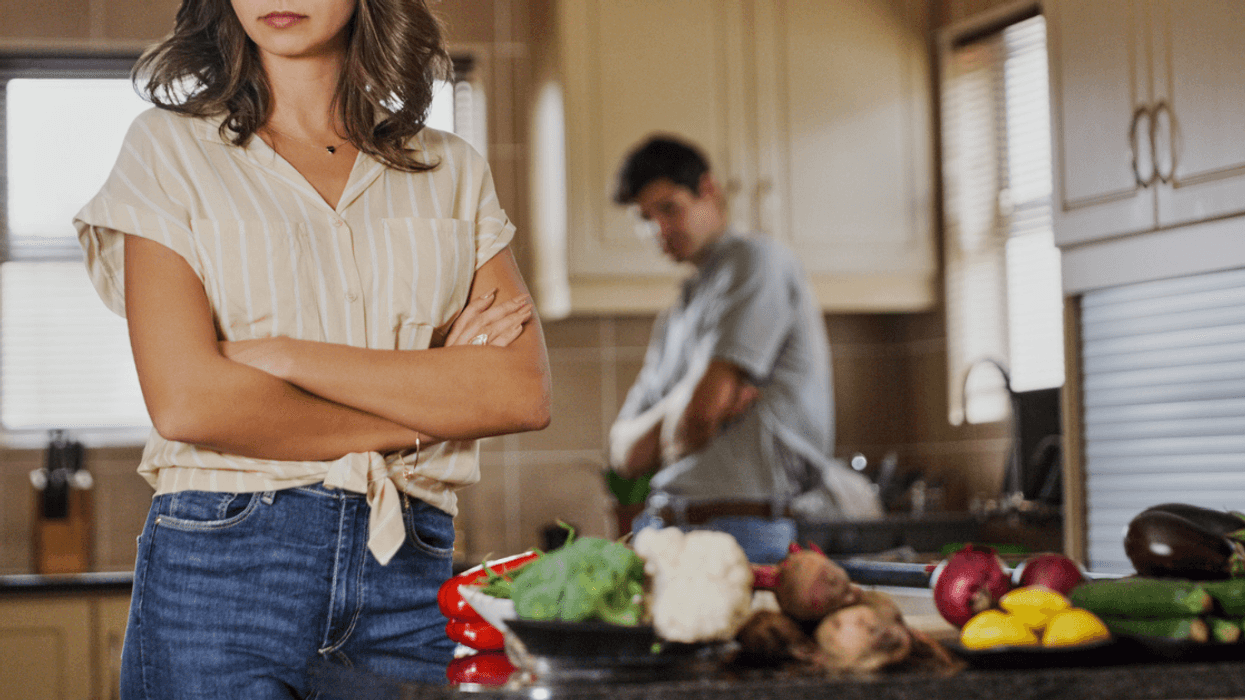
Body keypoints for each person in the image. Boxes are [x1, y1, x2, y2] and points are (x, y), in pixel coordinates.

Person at [73, 0, 551, 695]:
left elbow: (518, 394)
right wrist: (429, 412)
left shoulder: (451, 168)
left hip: (411, 563)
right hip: (222, 568)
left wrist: (287, 356)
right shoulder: (166, 150)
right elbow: (190, 404)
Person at [608, 135, 880, 564]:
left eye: (669, 208)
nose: (658, 229)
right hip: (665, 528)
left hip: (746, 532)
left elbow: (699, 419)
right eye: (645, 218)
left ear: (709, 190)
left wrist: (690, 413)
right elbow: (623, 453)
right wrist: (688, 398)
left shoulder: (756, 262)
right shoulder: (677, 311)